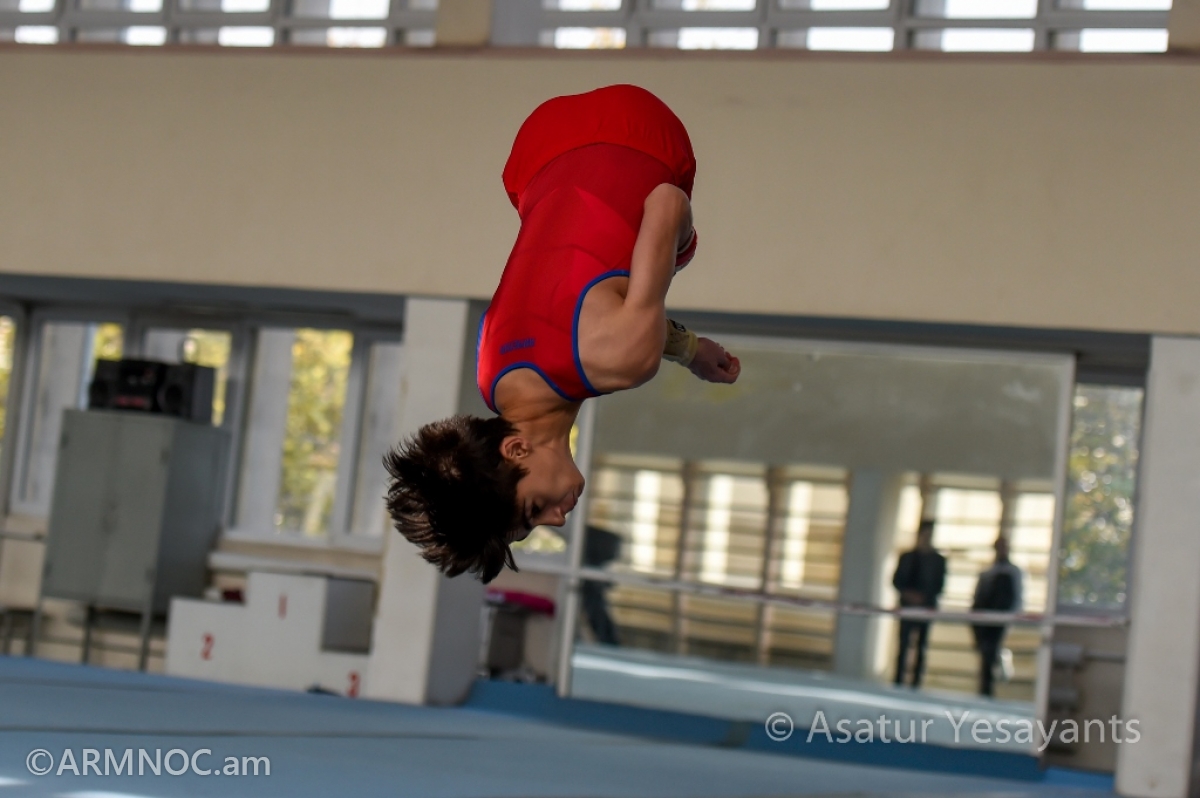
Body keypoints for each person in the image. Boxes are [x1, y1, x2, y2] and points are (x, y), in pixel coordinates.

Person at [384, 85, 740, 583]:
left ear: (515, 451)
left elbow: (668, 202)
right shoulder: (491, 375)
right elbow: (582, 308)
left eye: (533, 511)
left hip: (639, 128)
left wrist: (679, 254)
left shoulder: (623, 360)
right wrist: (690, 349)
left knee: (679, 243)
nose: (556, 520)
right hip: (536, 148)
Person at [892, 520, 946, 688]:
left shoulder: (938, 560)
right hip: (907, 607)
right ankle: (899, 680)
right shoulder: (907, 557)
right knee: (903, 644)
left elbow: (939, 585)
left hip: (926, 608)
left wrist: (923, 597)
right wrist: (909, 594)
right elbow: (897, 580)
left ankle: (916, 683)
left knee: (921, 646)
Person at [971, 535, 1023, 697]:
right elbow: (978, 597)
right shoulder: (987, 572)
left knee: (992, 651)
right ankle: (985, 689)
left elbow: (1017, 598)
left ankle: (989, 689)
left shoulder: (1013, 572)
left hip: (1001, 620)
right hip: (984, 620)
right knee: (985, 652)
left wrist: (1011, 618)